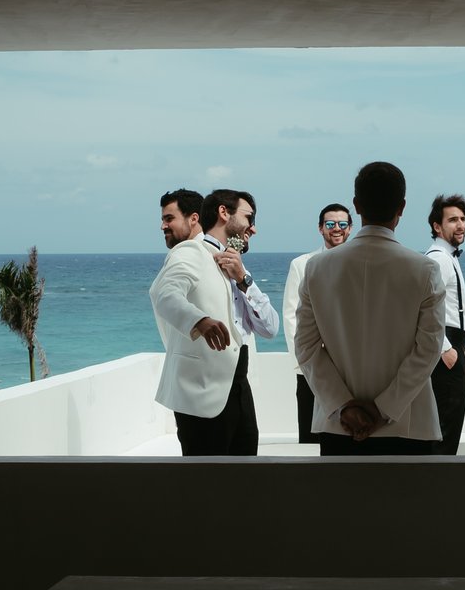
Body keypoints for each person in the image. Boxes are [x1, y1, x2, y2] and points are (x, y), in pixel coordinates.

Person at [293, 162, 450, 455]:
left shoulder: (317, 268)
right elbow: (429, 349)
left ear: (356, 205)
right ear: (402, 207)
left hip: (339, 424)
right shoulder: (424, 270)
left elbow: (305, 346)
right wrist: (383, 408)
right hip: (407, 423)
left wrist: (343, 405)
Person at [149, 185, 255, 455]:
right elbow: (164, 294)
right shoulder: (189, 251)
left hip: (237, 386)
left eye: (169, 218)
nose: (162, 226)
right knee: (206, 475)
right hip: (201, 392)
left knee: (246, 471)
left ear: (194, 218)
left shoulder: (223, 256)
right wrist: (199, 321)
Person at [281, 202, 352, 448]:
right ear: (320, 228)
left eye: (342, 224)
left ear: (350, 228)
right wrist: (303, 363)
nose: (336, 228)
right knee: (311, 440)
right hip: (311, 365)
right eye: (330, 224)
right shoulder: (302, 264)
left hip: (350, 366)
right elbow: (291, 316)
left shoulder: (360, 263)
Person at [424, 193, 465, 454]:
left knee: (449, 423)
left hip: (455, 344)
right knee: (446, 425)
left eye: (463, 219)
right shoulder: (438, 259)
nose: (460, 225)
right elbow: (423, 306)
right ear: (437, 226)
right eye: (453, 220)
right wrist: (446, 348)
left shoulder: (448, 257)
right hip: (446, 347)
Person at [207, 188, 280, 346]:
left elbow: (270, 329)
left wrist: (243, 281)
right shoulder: (197, 256)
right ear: (223, 212)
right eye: (249, 218)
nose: (253, 229)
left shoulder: (240, 270)